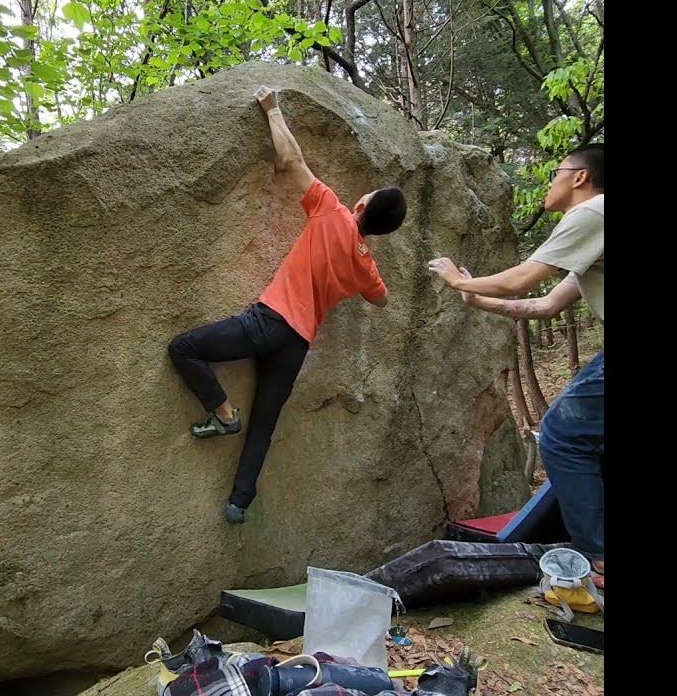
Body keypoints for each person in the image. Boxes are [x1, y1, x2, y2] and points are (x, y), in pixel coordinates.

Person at [168, 85, 407, 524]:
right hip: (297, 344)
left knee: (183, 348)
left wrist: (273, 109)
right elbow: (382, 299)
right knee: (265, 421)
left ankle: (222, 413)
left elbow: (291, 161)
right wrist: (359, 271)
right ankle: (239, 503)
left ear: (361, 203)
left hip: (269, 322)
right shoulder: (366, 266)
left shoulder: (332, 213)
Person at [426, 143, 604, 581]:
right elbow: (543, 306)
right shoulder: (593, 236)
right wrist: (475, 297)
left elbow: (522, 279)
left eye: (556, 172)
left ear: (579, 177)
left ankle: (598, 560)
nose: (550, 182)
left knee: (561, 434)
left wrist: (452, 281)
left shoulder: (592, 212)